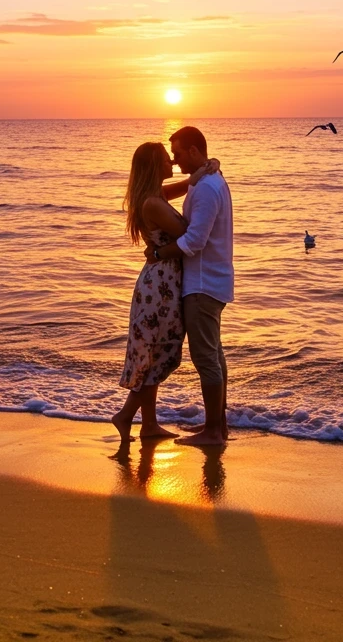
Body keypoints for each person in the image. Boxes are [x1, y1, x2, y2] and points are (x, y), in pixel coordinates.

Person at [112, 142, 219, 443]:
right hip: (161, 285)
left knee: (155, 352)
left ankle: (149, 425)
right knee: (160, 351)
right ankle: (125, 415)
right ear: (153, 166)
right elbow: (188, 234)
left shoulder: (154, 195)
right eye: (165, 159)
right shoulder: (153, 203)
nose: (171, 162)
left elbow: (188, 184)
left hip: (161, 280)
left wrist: (210, 165)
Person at [145, 126, 233, 448]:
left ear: (194, 151)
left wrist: (158, 254)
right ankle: (218, 425)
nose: (175, 160)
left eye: (179, 153)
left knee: (206, 358)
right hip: (209, 280)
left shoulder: (207, 187)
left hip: (202, 283)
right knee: (214, 355)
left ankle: (213, 431)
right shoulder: (208, 181)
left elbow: (194, 241)